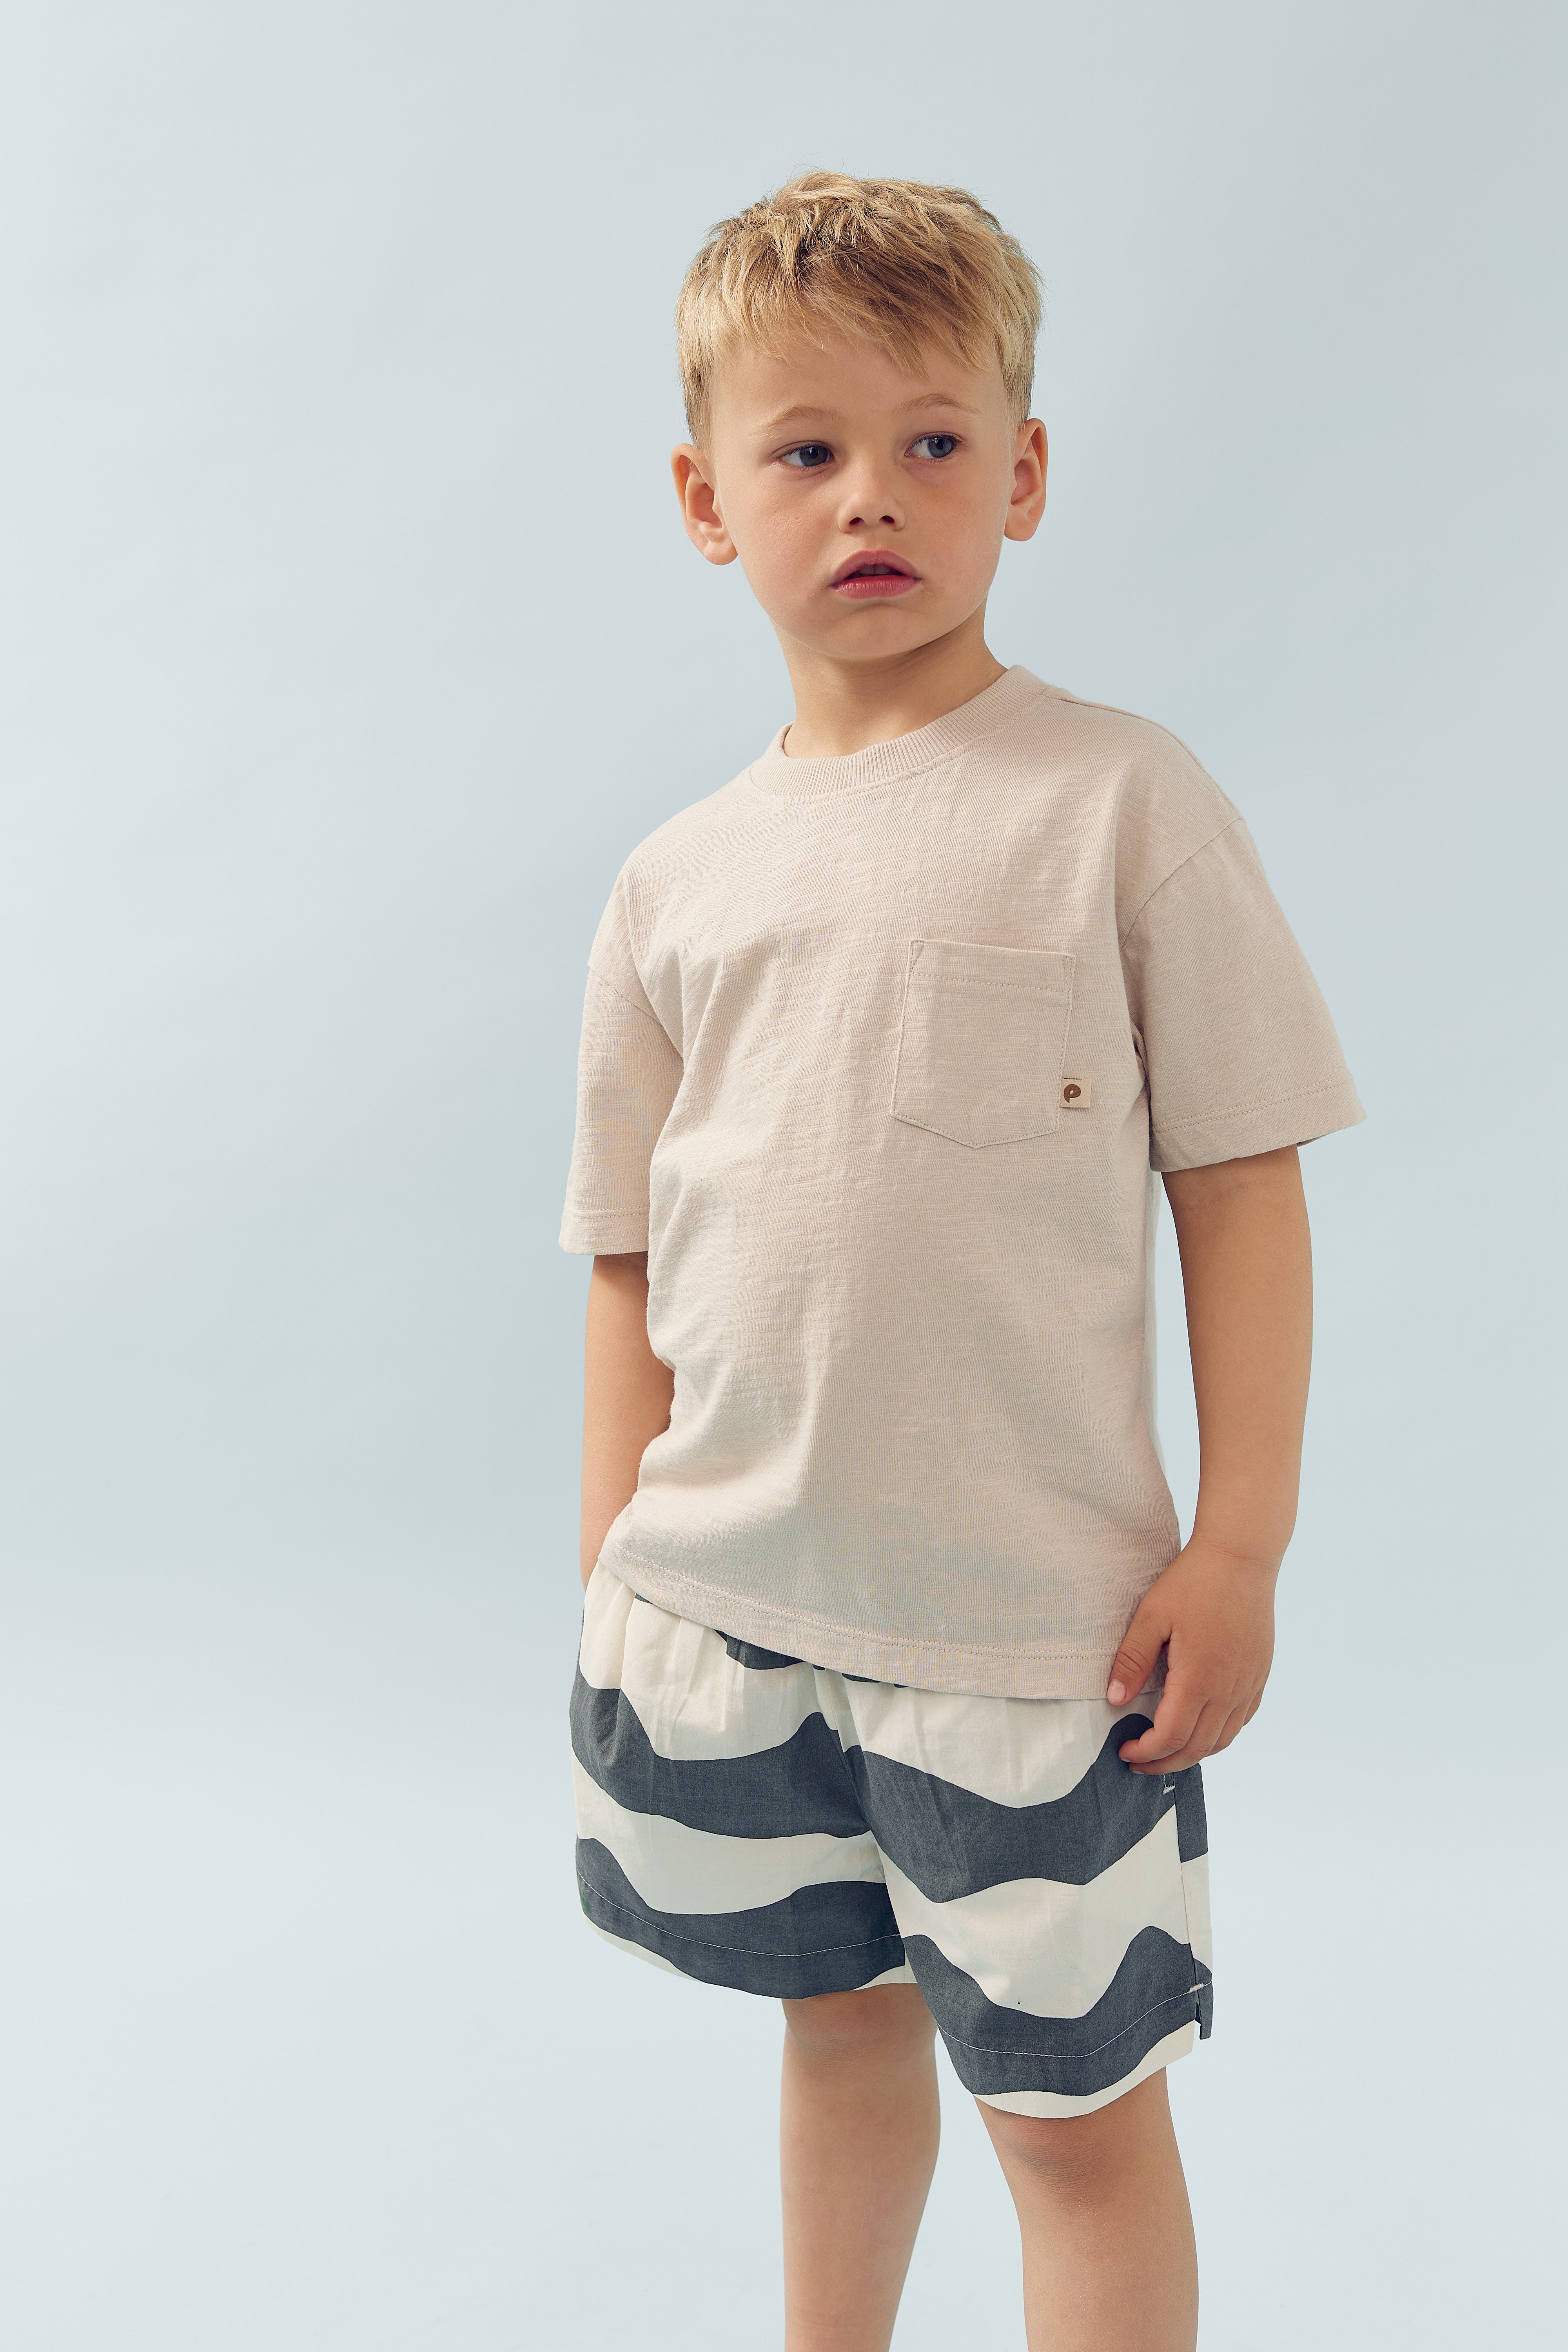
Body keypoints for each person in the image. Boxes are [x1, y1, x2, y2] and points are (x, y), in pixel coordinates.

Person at [557, 171, 1363, 2352]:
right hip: (735, 1604)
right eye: (806, 450)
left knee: (1079, 2118)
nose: (871, 496)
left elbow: (1243, 1184)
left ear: (1020, 471)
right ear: (708, 502)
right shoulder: (676, 880)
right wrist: (611, 1547)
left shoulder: (1116, 801)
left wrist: (1243, 1544)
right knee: (834, 2035)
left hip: (1036, 1644)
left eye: (932, 441)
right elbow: (629, 1246)